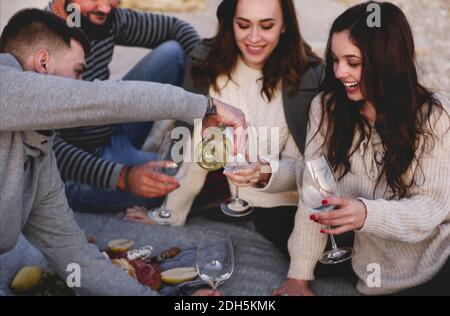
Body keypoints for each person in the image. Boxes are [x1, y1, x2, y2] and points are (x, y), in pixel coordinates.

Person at [0, 9, 244, 295]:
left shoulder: (39, 162)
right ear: (42, 63)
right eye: (78, 73)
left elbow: (77, 259)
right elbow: (102, 100)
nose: (83, 84)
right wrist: (205, 107)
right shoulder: (4, 82)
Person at [273, 1, 450, 296]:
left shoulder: (434, 116)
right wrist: (299, 276)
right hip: (372, 272)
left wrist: (366, 214)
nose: (340, 72)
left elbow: (431, 208)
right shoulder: (326, 108)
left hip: (437, 264)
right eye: (334, 59)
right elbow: (314, 190)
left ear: (386, 60)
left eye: (352, 62)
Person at [125, 0, 323, 256]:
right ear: (231, 22)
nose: (253, 37)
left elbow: (303, 169)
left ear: (284, 25)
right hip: (218, 193)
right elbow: (195, 145)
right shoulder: (209, 62)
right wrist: (172, 213)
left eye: (266, 26)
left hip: (282, 204)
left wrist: (262, 172)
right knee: (139, 188)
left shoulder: (307, 75)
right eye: (243, 25)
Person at [47, 0, 201, 213]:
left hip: (111, 129)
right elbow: (50, 151)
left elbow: (176, 27)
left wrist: (207, 74)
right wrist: (123, 177)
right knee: (176, 182)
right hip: (80, 166)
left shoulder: (105, 18)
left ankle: (180, 148)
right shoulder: (41, 43)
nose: (106, 8)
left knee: (173, 53)